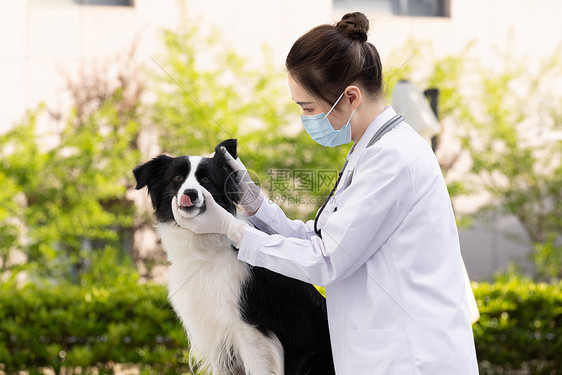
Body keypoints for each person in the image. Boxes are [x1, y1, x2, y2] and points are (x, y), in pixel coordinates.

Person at [171, 12, 479, 375]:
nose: (305, 120)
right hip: (382, 356)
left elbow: (327, 260)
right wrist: (253, 203)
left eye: (309, 108)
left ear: (350, 97)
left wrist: (233, 230)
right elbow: (321, 238)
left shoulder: (394, 159)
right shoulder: (369, 153)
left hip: (411, 359)